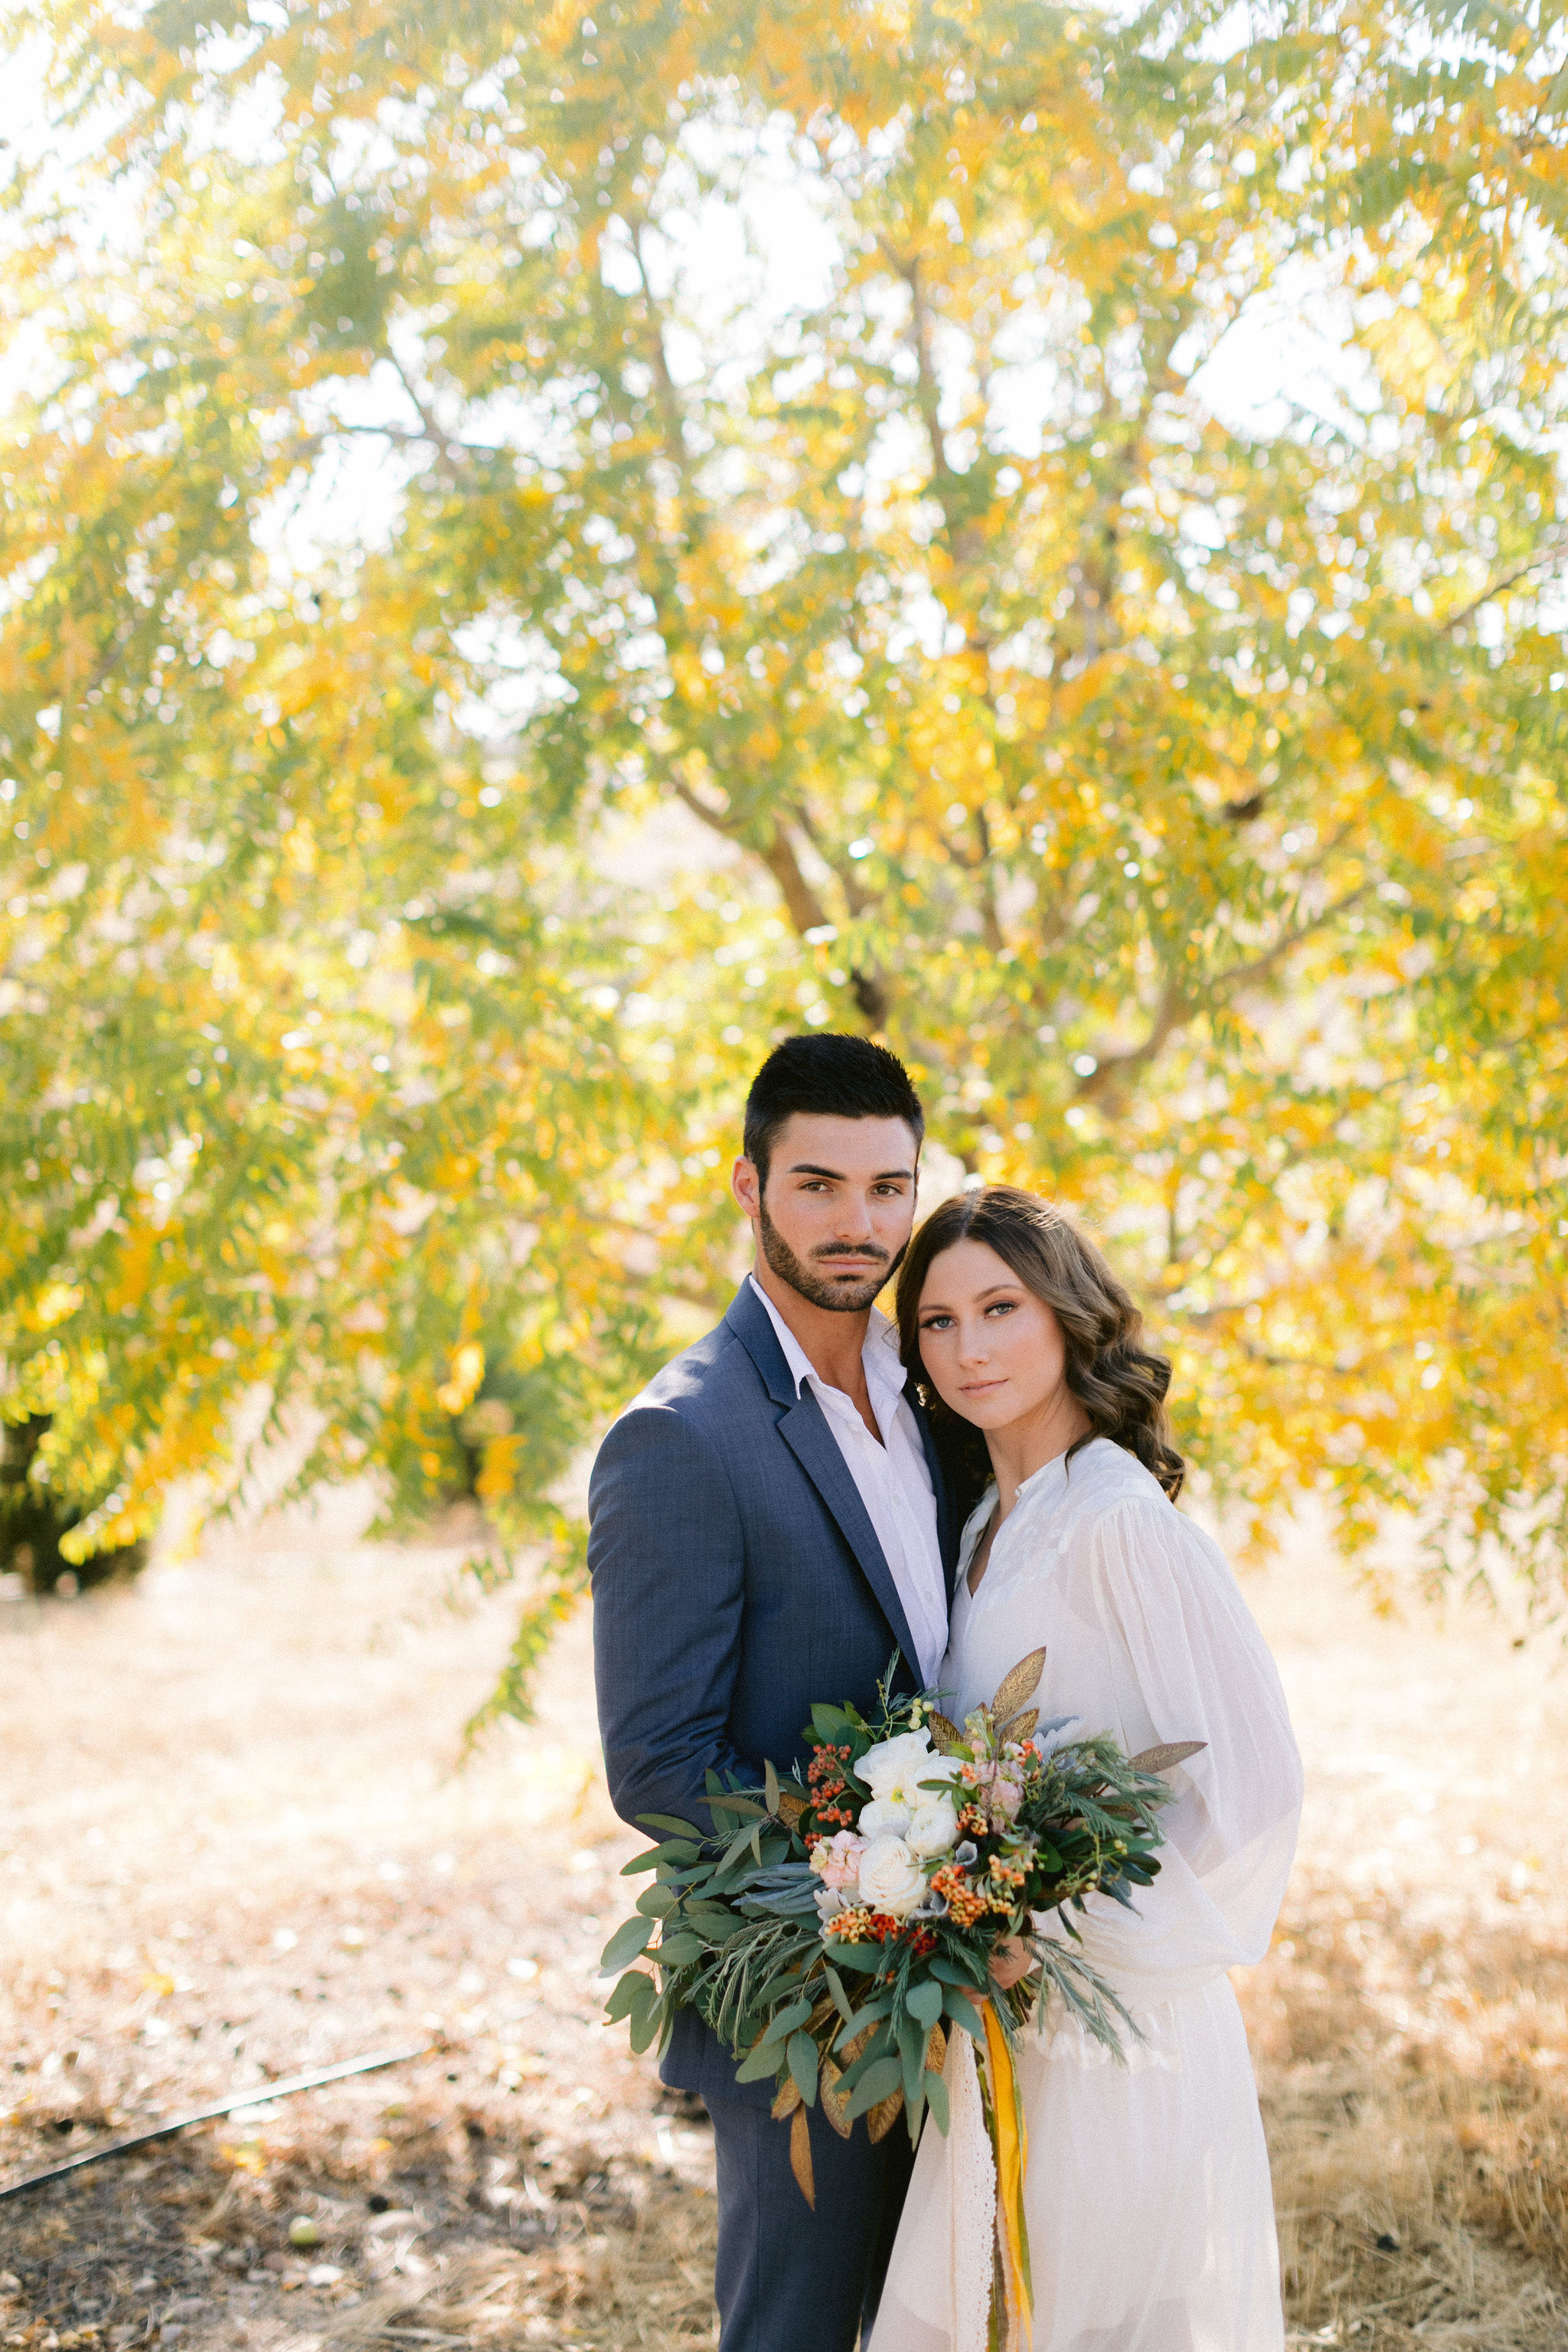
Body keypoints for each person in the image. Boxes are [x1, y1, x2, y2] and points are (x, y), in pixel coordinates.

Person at [872, 1184, 1303, 2352]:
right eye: (938, 1322)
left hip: (1117, 2041)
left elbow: (1256, 1789)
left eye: (1000, 1308)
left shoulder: (1117, 1519)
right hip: (1003, 2035)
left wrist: (1063, 1937)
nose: (969, 1348)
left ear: (1067, 1313)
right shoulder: (984, 1525)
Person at [590, 1033, 962, 2352]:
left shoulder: (944, 1395)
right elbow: (660, 1766)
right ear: (748, 1186)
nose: (859, 1224)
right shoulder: (681, 1437)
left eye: (887, 1188)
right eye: (818, 1184)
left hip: (974, 1967)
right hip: (810, 1991)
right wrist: (887, 1889)